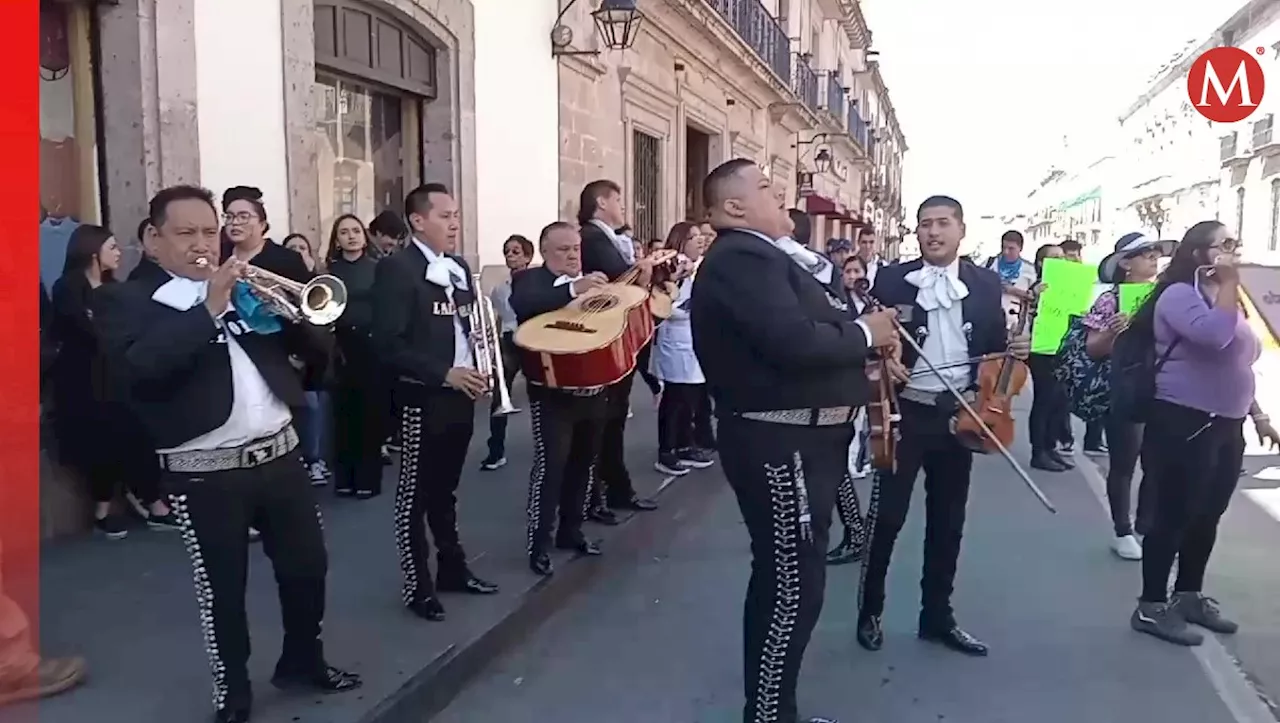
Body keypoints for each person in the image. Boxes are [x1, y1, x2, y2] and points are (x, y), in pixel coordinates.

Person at [95, 185, 361, 723]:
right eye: (186, 233)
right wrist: (209, 308)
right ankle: (233, 691)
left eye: (210, 232)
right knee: (223, 590)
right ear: (152, 239)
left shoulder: (243, 288)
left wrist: (294, 318)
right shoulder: (125, 302)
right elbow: (139, 370)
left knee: (308, 568)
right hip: (204, 473)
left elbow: (318, 362)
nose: (203, 244)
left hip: (280, 457)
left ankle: (302, 661)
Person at [691, 158, 896, 723]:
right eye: (763, 188)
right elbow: (792, 343)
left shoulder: (763, 257)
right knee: (791, 585)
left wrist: (869, 356)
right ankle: (768, 715)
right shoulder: (741, 258)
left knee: (793, 580)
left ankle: (773, 710)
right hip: (781, 447)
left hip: (803, 445)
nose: (778, 192)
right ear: (733, 207)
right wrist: (863, 333)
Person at [858, 195, 1027, 658]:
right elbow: (869, 338)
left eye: (943, 224)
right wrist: (883, 357)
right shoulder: (893, 279)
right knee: (888, 517)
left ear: (961, 230)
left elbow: (993, 350)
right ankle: (870, 609)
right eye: (925, 224)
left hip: (959, 414)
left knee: (947, 521)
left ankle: (937, 617)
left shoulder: (987, 283)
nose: (933, 232)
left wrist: (1013, 354)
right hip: (905, 412)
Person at [1126, 220, 1280, 645]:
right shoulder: (1179, 295)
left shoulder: (1224, 297)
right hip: (1184, 422)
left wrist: (1259, 414)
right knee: (1173, 514)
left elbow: (1238, 362)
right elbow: (1213, 337)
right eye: (1224, 245)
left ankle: (1188, 595)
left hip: (1226, 424)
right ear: (1199, 255)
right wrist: (1230, 285)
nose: (1233, 250)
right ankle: (1152, 606)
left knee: (1207, 514)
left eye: (1235, 242)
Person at [371, 183, 500, 622]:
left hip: (460, 394)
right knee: (414, 494)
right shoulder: (398, 269)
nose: (454, 222)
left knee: (445, 490)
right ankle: (417, 585)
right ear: (417, 221)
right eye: (445, 215)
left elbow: (467, 328)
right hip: (422, 396)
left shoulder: (459, 267)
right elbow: (386, 344)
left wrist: (480, 367)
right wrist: (443, 373)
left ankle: (453, 567)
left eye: (456, 214)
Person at [50, 224, 177, 536]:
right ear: (92, 251)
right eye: (112, 247)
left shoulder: (116, 288)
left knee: (134, 431)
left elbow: (121, 330)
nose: (119, 253)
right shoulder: (68, 286)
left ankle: (150, 503)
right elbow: (87, 330)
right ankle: (108, 509)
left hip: (116, 376)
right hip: (83, 381)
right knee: (103, 437)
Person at [510, 222, 610, 576]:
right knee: (551, 467)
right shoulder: (530, 281)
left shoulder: (594, 280)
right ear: (544, 251)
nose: (572, 255)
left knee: (584, 465)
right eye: (563, 249)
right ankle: (539, 543)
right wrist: (572, 288)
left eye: (576, 248)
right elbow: (524, 304)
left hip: (594, 389)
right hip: (552, 393)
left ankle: (572, 530)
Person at [1083, 232, 1172, 560]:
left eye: (1154, 253)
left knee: (1158, 462)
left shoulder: (1166, 296)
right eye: (1144, 253)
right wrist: (1113, 331)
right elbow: (1093, 349)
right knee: (1124, 463)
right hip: (1124, 390)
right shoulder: (1110, 299)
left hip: (1165, 389)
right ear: (1125, 263)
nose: (1153, 257)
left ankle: (1146, 526)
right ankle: (1123, 529)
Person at [577, 179, 659, 523]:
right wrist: (644, 271)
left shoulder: (609, 237)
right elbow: (618, 281)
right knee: (602, 421)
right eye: (618, 199)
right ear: (601, 202)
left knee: (613, 419)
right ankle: (597, 495)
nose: (624, 206)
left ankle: (616, 487)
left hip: (619, 336)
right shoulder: (592, 237)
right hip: (604, 335)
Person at [326, 214, 385, 498]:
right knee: (342, 414)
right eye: (344, 232)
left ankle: (368, 479)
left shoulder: (379, 269)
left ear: (364, 236)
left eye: (355, 231)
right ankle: (344, 478)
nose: (351, 236)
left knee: (369, 414)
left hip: (371, 345)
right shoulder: (328, 272)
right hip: (340, 345)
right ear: (336, 240)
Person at [652, 222, 714, 476]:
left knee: (690, 398)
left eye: (701, 236)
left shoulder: (699, 266)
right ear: (680, 240)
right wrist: (692, 307)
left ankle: (685, 445)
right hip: (675, 340)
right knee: (674, 400)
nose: (699, 240)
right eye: (693, 237)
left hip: (692, 339)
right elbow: (662, 302)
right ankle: (667, 452)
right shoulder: (669, 265)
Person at [827, 254, 871, 566]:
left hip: (844, 390)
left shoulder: (867, 304)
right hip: (833, 389)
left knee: (833, 465)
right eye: (848, 271)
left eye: (858, 271)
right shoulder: (834, 301)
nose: (852, 276)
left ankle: (857, 532)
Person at [480, 234, 534, 471]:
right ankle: (496, 450)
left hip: (533, 339)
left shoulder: (536, 282)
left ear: (528, 256)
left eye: (516, 251)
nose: (511, 256)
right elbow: (498, 316)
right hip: (509, 340)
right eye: (507, 252)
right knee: (499, 396)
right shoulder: (501, 287)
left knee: (542, 395)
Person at [1026, 243, 1075, 472]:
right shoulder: (1039, 287)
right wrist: (1033, 298)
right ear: (1041, 263)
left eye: (1062, 257)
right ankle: (1039, 451)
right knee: (1044, 399)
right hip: (1042, 349)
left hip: (1062, 347)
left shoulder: (1067, 286)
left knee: (1059, 400)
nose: (1060, 261)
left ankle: (1050, 446)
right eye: (1054, 257)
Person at [986, 230, 1037, 327]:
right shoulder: (990, 263)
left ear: (1020, 248)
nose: (1006, 252)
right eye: (1003, 247)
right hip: (990, 321)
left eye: (1011, 248)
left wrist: (1014, 291)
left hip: (1018, 323)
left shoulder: (1029, 269)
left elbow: (1034, 298)